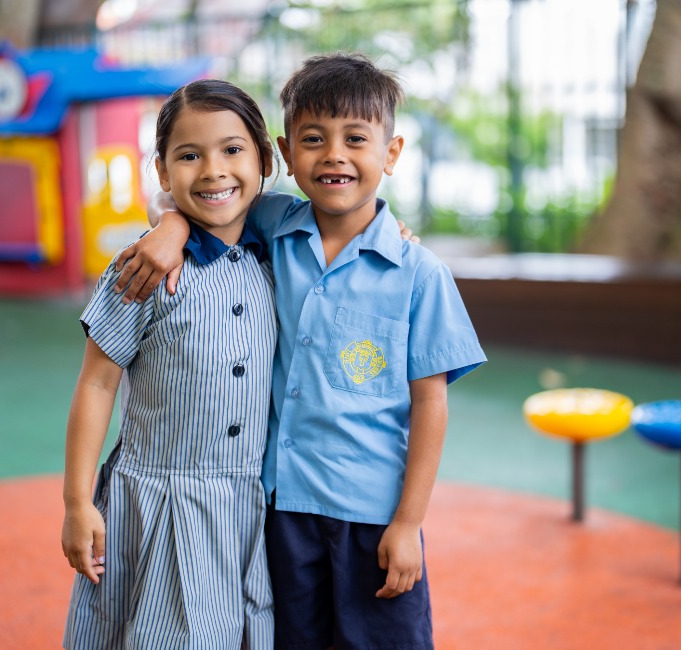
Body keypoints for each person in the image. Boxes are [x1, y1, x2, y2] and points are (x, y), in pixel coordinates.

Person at [113, 52, 487, 650]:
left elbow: (430, 407)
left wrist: (409, 523)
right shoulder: (272, 224)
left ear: (390, 154)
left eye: (356, 139)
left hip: (372, 517)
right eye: (314, 139)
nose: (334, 154)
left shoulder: (421, 274)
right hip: (280, 510)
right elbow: (205, 198)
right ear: (286, 154)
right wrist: (170, 226)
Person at [60, 78, 278, 650]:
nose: (213, 170)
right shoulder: (143, 269)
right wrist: (77, 502)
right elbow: (97, 384)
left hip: (247, 512)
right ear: (161, 171)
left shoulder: (281, 257)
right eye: (189, 155)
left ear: (264, 159)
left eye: (232, 149)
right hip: (160, 507)